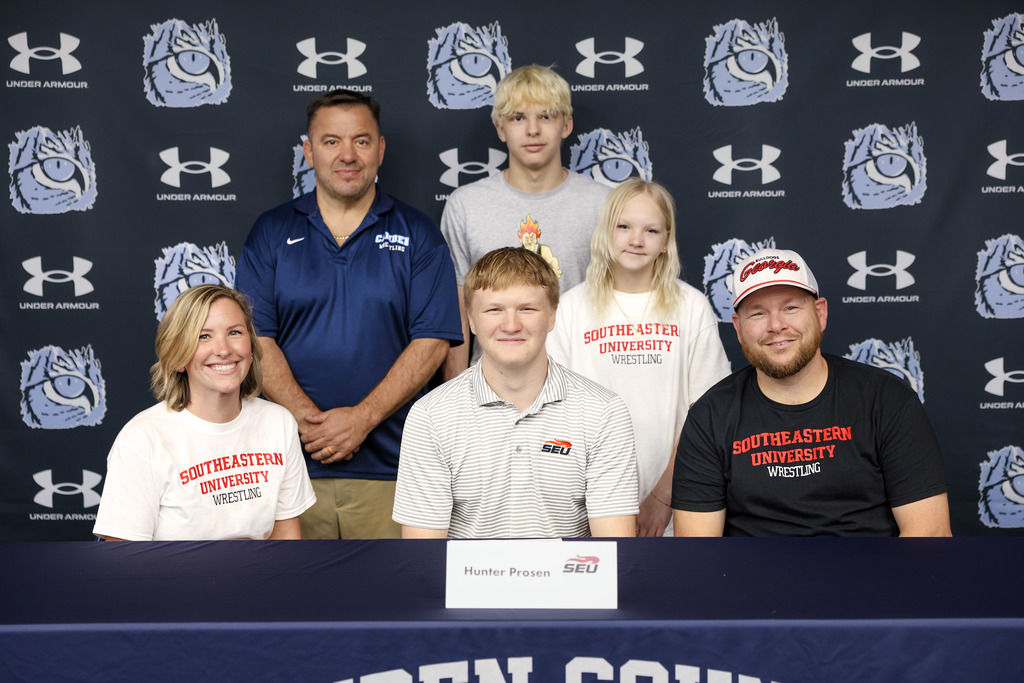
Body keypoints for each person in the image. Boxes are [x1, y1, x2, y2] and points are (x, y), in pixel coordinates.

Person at [235, 89, 463, 539]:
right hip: (289, 474)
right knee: (297, 607)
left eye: (361, 141)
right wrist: (306, 420)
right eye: (331, 141)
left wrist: (362, 418)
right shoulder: (271, 231)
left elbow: (433, 340)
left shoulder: (419, 234)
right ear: (308, 151)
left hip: (397, 473)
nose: (347, 155)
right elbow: (256, 338)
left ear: (380, 150)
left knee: (395, 606)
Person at [671, 249, 952, 537]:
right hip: (754, 581)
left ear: (820, 314)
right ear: (739, 328)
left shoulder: (887, 399)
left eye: (791, 308)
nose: (776, 325)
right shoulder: (709, 416)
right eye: (758, 313)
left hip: (870, 579)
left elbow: (929, 535)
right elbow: (698, 553)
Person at [393, 247, 639, 539]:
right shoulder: (430, 417)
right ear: (471, 320)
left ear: (551, 316)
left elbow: (612, 553)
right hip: (469, 586)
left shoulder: (603, 412)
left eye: (527, 309)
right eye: (494, 309)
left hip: (569, 585)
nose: (511, 325)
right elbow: (426, 560)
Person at [547, 180, 731, 537]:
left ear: (666, 241)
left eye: (651, 230)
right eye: (624, 226)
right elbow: (556, 413)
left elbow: (707, 412)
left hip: (680, 502)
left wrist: (663, 497)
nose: (636, 239)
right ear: (605, 232)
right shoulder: (570, 308)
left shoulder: (690, 306)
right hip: (586, 502)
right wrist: (601, 502)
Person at [93, 285, 315, 541]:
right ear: (178, 356)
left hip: (259, 581)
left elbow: (285, 538)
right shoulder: (142, 438)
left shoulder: (278, 423)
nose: (223, 349)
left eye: (234, 332)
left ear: (251, 349)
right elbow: (124, 561)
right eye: (203, 336)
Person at [440, 64, 610, 379]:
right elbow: (459, 316)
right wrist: (455, 396)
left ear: (566, 125)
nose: (532, 130)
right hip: (491, 388)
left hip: (582, 384)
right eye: (518, 118)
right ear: (500, 128)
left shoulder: (605, 205)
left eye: (546, 116)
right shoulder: (465, 205)